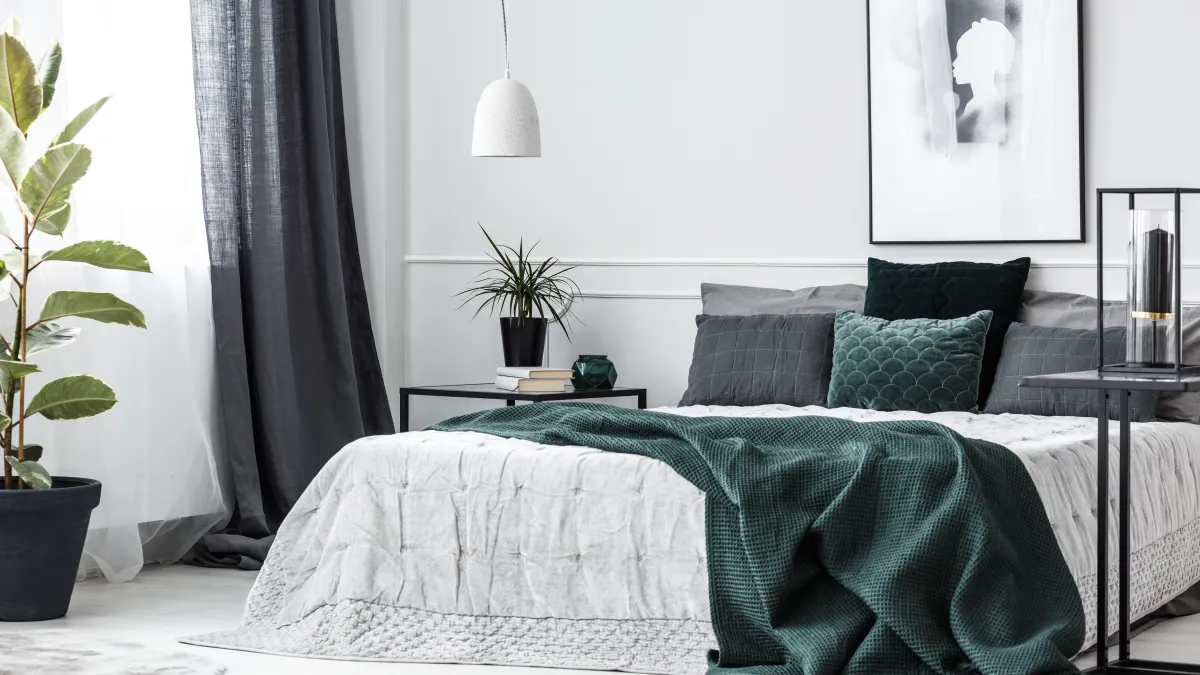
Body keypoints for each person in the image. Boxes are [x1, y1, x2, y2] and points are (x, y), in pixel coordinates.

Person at [951, 17, 1016, 143]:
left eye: (961, 56)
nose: (954, 63)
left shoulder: (985, 107)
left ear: (979, 62)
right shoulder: (974, 104)